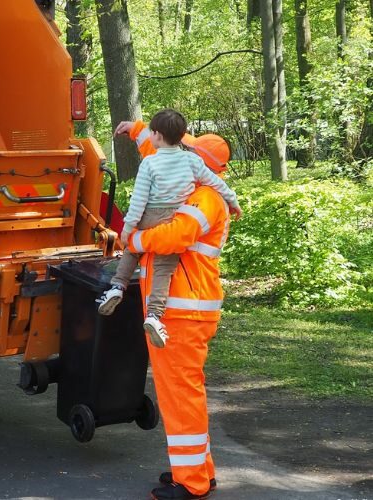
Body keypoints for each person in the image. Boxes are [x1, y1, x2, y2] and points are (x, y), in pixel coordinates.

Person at [118, 119, 233, 500]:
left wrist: (134, 237)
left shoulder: (205, 200)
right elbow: (160, 151)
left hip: (185, 312)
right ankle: (200, 472)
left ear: (199, 160)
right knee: (184, 393)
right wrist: (137, 130)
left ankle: (193, 483)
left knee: (180, 396)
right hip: (184, 310)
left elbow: (174, 237)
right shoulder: (193, 187)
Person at [97, 109, 241, 350]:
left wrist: (130, 234)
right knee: (164, 268)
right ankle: (154, 314)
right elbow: (165, 154)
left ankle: (116, 287)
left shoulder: (203, 198)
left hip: (186, 308)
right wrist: (234, 201)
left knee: (131, 254)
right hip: (170, 223)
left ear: (158, 135)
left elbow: (160, 223)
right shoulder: (192, 165)